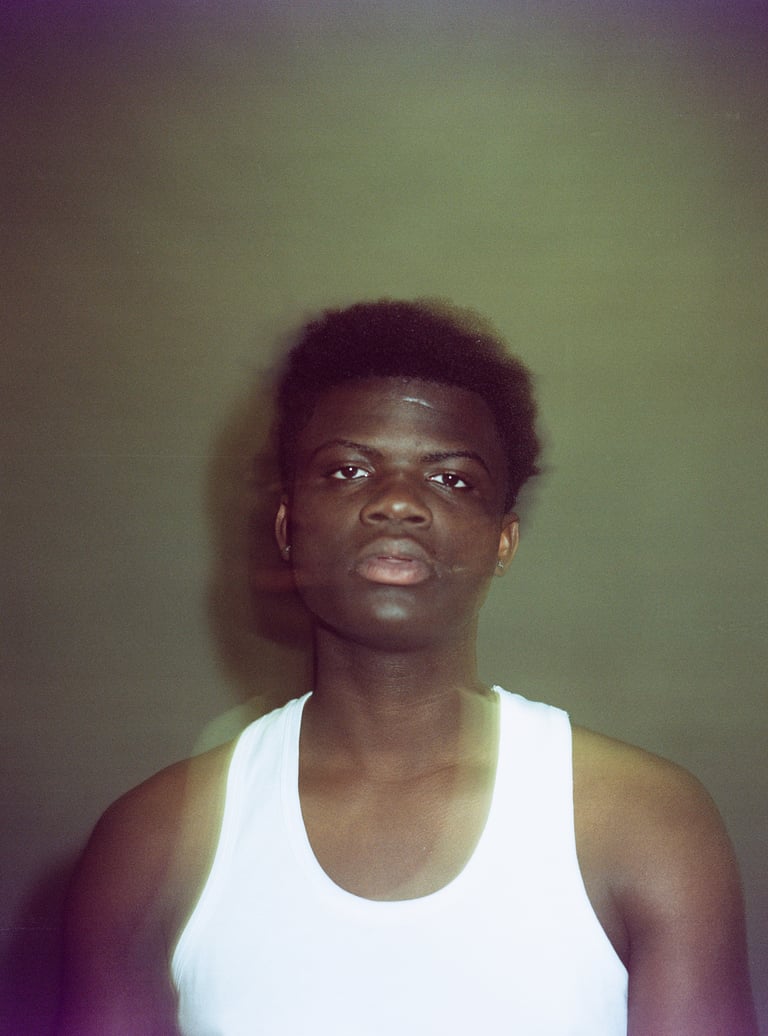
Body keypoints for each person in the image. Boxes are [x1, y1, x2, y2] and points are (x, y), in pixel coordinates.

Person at [56, 299, 758, 1035]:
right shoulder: (149, 845)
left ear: (503, 541)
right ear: (288, 525)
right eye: (349, 470)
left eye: (452, 479)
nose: (397, 503)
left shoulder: (645, 823)